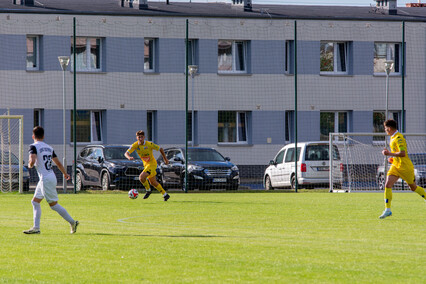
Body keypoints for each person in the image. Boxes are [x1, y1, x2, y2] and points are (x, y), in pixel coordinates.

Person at [23, 126, 79, 234]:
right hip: (50, 176)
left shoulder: (33, 146)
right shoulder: (49, 148)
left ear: (33, 136)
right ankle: (36, 228)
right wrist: (65, 173)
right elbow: (58, 163)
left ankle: (73, 222)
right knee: (35, 201)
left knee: (54, 205)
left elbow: (32, 159)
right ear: (43, 136)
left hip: (45, 179)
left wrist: (30, 165)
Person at [379, 119, 426, 219]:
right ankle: (387, 210)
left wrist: (389, 154)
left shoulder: (399, 138)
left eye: (386, 128)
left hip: (405, 167)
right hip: (396, 166)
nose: (385, 130)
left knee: (413, 187)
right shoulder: (392, 137)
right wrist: (392, 158)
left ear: (389, 128)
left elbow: (402, 153)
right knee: (387, 184)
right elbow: (397, 154)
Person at [125, 130, 170, 201]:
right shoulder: (135, 145)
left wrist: (166, 160)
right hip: (146, 165)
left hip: (152, 164)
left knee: (141, 177)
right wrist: (129, 157)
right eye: (139, 137)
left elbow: (160, 149)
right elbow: (126, 153)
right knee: (153, 182)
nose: (140, 138)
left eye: (142, 137)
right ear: (137, 138)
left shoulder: (149, 144)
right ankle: (165, 195)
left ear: (144, 137)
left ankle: (148, 190)